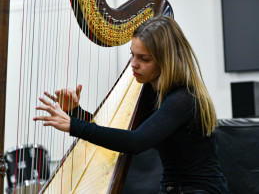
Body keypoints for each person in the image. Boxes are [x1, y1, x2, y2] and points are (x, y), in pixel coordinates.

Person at [33, 16, 229, 194]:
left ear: (166, 61)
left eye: (144, 59)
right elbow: (115, 134)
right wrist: (75, 112)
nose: (133, 64)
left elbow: (135, 142)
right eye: (132, 55)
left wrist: (73, 126)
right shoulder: (153, 92)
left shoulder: (183, 99)